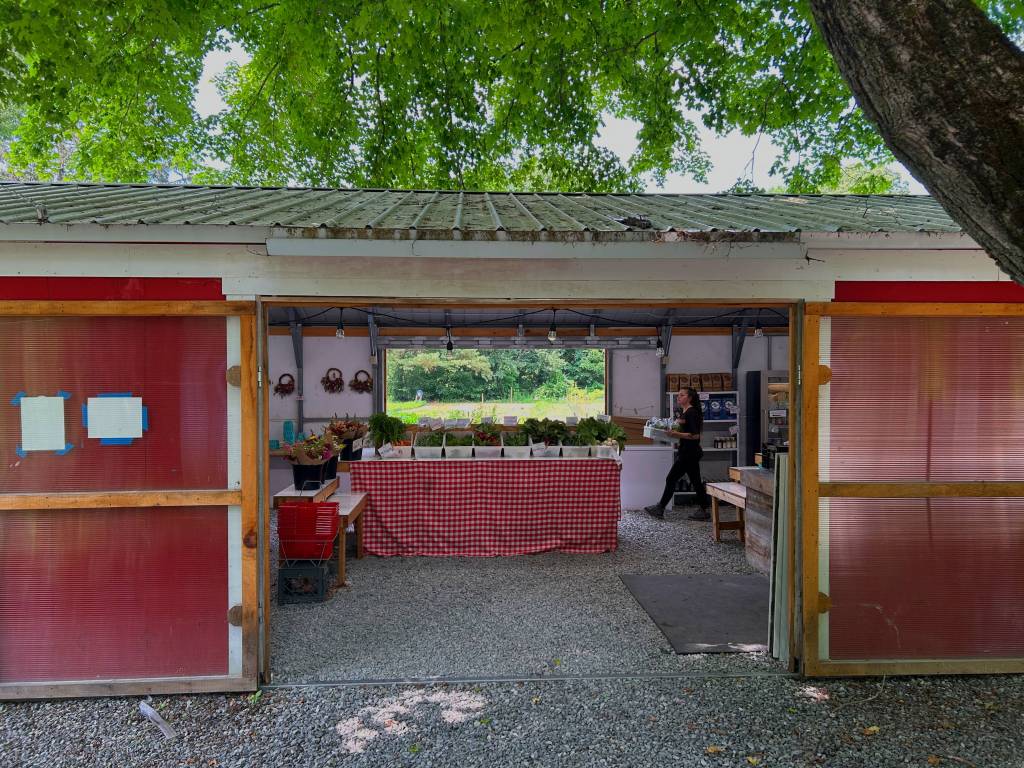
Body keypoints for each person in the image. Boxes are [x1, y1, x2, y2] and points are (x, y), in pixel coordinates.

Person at [645, 388, 710, 520]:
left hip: (689, 453)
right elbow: (684, 432)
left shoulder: (692, 412)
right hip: (688, 451)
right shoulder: (684, 412)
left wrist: (676, 434)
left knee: (671, 478)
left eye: (682, 395)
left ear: (690, 398)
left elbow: (695, 435)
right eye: (678, 395)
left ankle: (660, 508)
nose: (678, 397)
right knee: (696, 481)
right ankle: (704, 510)